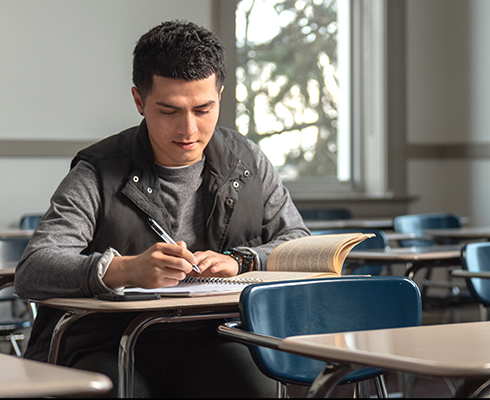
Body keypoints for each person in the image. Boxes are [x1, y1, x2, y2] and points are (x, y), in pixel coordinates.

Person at [14, 20, 311, 397]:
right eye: (169, 111)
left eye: (204, 109)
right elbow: (34, 267)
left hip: (216, 335)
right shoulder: (99, 169)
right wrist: (126, 269)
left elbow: (298, 243)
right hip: (110, 341)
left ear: (220, 94)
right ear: (139, 101)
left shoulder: (247, 160)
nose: (189, 129)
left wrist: (244, 260)